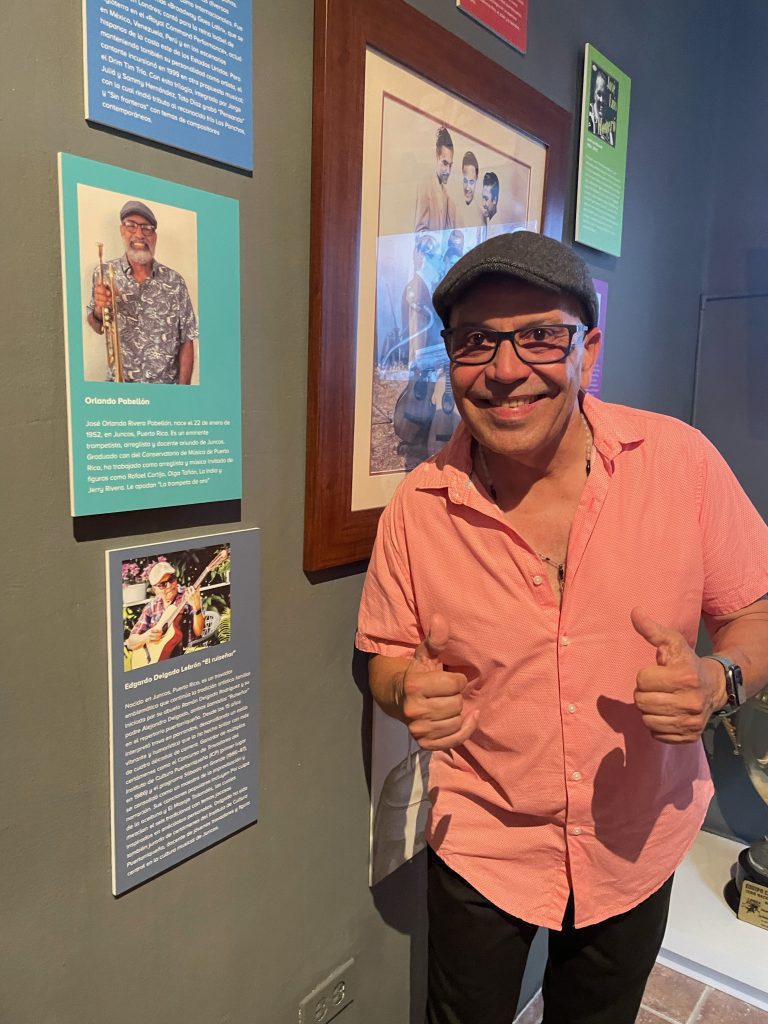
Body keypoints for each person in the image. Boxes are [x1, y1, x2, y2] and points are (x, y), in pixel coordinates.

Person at [357, 230, 768, 1024]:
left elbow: (755, 609)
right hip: (485, 841)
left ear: (589, 350)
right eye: (477, 341)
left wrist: (720, 679)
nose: (506, 369)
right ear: (451, 357)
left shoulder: (680, 463)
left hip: (636, 837)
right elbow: (385, 655)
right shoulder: (418, 508)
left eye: (541, 335)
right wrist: (407, 692)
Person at [86, 200, 199, 384]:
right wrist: (99, 311)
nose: (139, 234)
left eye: (146, 228)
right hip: (121, 391)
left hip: (165, 392)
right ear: (122, 230)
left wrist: (183, 393)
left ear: (154, 236)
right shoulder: (104, 273)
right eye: (131, 225)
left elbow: (187, 339)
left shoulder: (175, 281)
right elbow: (97, 326)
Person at [126, 560, 204, 662]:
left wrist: (197, 607)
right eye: (162, 584)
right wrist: (146, 636)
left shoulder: (189, 596)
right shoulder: (151, 607)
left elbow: (199, 632)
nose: (169, 586)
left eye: (171, 579)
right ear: (155, 590)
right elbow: (130, 643)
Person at [414, 126, 457, 235]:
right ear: (437, 157)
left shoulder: (446, 194)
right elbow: (419, 231)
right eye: (445, 163)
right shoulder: (425, 184)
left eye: (450, 165)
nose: (448, 171)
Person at [455, 151, 484, 246]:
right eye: (465, 181)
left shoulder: (480, 217)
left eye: (471, 182)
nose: (467, 187)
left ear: (476, 180)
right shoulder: (453, 209)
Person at [480, 171, 500, 240]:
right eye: (482, 198)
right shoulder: (489, 224)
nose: (483, 204)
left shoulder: (497, 229)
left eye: (486, 199)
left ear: (494, 199)